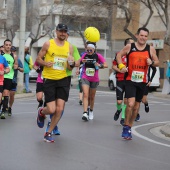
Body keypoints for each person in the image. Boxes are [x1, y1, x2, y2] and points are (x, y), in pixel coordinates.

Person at [116, 27, 159, 140]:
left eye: (145, 36)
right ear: (137, 35)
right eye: (141, 35)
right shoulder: (130, 47)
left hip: (142, 82)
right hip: (130, 80)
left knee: (136, 107)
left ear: (147, 37)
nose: (143, 38)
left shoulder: (150, 49)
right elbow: (119, 55)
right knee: (130, 104)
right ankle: (125, 127)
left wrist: (152, 62)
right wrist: (121, 66)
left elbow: (157, 62)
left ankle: (130, 127)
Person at [36, 23, 75, 142]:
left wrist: (71, 63)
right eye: (60, 31)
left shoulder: (69, 47)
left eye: (65, 31)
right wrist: (45, 63)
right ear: (56, 32)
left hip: (63, 80)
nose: (62, 33)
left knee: (59, 109)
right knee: (51, 109)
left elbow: (69, 68)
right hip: (50, 80)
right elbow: (38, 58)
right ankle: (42, 112)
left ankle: (48, 133)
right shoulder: (49, 44)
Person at [81, 43, 108, 121]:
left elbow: (106, 65)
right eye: (88, 50)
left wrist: (99, 65)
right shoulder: (84, 55)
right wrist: (82, 61)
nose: (89, 51)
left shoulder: (98, 56)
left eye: (91, 50)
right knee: (86, 94)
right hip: (85, 77)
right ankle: (85, 113)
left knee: (92, 97)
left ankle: (91, 110)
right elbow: (79, 62)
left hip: (94, 78)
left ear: (94, 50)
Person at [113, 38, 134, 126]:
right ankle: (118, 110)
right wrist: (120, 69)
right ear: (126, 45)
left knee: (127, 101)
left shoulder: (134, 55)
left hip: (129, 80)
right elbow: (114, 66)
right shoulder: (119, 54)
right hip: (120, 80)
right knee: (119, 101)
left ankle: (123, 118)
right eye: (130, 44)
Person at [0, 39, 18, 119]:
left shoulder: (13, 56)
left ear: (11, 46)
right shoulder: (1, 54)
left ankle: (3, 111)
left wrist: (15, 66)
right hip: (1, 77)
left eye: (9, 45)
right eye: (6, 45)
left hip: (9, 77)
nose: (8, 46)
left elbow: (16, 65)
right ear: (3, 46)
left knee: (6, 93)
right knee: (1, 95)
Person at [8, 46, 24, 116]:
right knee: (4, 95)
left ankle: (10, 107)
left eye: (14, 51)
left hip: (13, 80)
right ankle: (4, 108)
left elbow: (22, 69)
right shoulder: (6, 58)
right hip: (5, 79)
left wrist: (18, 68)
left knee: (11, 95)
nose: (12, 52)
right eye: (11, 51)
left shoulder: (18, 60)